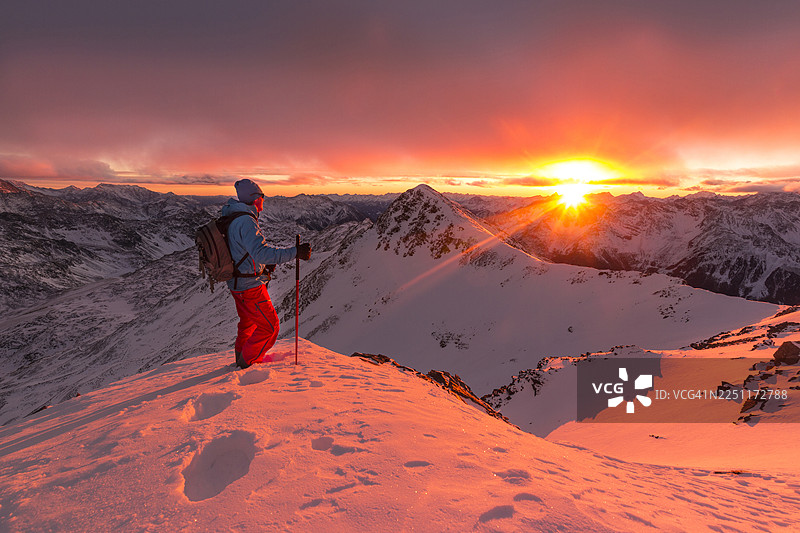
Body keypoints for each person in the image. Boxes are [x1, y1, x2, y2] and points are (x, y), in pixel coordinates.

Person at [222, 179, 311, 368]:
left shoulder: (234, 216)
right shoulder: (246, 221)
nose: (262, 205)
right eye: (261, 199)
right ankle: (246, 365)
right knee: (270, 327)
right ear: (255, 199)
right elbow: (261, 252)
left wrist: (262, 266)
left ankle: (239, 361)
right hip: (249, 287)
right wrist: (296, 252)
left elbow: (243, 251)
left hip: (237, 283)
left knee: (248, 324)